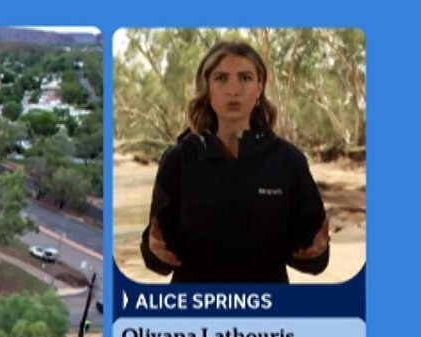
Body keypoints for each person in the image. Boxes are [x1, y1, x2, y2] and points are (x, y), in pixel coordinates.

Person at [140, 40, 330, 284]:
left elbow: (310, 252)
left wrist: (316, 252)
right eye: (221, 78)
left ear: (259, 87)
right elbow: (159, 250)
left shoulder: (288, 160)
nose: (233, 90)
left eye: (245, 78)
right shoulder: (179, 159)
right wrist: (154, 251)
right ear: (207, 88)